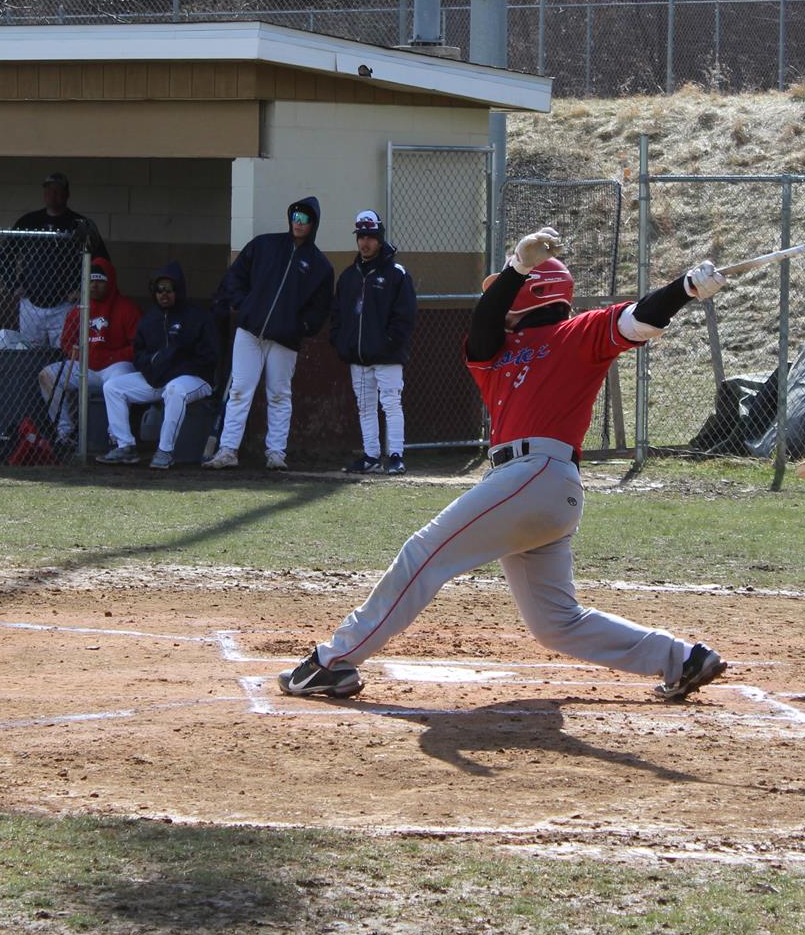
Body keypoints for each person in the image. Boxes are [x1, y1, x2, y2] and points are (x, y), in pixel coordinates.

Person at [278, 227, 731, 703]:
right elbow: (483, 323)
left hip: (536, 475)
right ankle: (682, 658)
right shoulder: (495, 352)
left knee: (423, 554)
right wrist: (518, 267)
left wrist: (684, 289)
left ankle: (334, 661)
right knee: (557, 623)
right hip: (533, 487)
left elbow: (639, 318)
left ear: (536, 292)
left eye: (513, 287)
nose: (500, 297)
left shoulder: (579, 332)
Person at [203, 197, 334, 471]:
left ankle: (276, 453)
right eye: (295, 217)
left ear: (314, 224)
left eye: (305, 219)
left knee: (279, 393)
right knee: (239, 390)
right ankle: (228, 450)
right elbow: (235, 277)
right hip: (250, 331)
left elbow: (320, 308)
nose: (298, 223)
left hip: (285, 340)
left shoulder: (320, 266)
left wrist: (301, 327)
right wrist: (243, 305)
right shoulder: (264, 245)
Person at [99, 263, 218, 467]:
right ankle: (125, 446)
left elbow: (209, 356)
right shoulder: (149, 319)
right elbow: (139, 354)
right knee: (113, 387)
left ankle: (165, 451)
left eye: (169, 290)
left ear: (178, 290)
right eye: (159, 290)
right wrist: (152, 366)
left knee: (175, 390)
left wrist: (176, 368)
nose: (164, 294)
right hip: (158, 378)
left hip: (194, 378)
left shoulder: (197, 317)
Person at [330, 210, 416, 475]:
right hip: (358, 356)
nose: (365, 242)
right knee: (365, 406)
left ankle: (396, 455)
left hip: (387, 356)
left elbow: (405, 316)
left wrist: (388, 343)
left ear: (379, 239)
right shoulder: (348, 277)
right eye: (361, 237)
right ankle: (370, 456)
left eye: (370, 237)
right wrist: (342, 343)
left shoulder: (397, 274)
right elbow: (338, 315)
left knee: (391, 402)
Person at [39, 255, 140, 451]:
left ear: (110, 282)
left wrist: (112, 357)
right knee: (47, 375)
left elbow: (138, 346)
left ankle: (116, 437)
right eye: (91, 281)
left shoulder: (127, 308)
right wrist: (75, 353)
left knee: (117, 384)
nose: (94, 286)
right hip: (86, 366)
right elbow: (66, 342)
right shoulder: (79, 310)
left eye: (100, 282)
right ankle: (65, 433)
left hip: (116, 366)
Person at [0, 173, 109, 347]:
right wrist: (13, 284)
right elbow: (4, 256)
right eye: (49, 191)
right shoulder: (29, 221)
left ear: (67, 194)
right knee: (29, 353)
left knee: (65, 352)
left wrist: (82, 289)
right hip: (32, 303)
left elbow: (101, 261)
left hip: (66, 303)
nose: (53, 195)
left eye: (58, 191)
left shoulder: (80, 224)